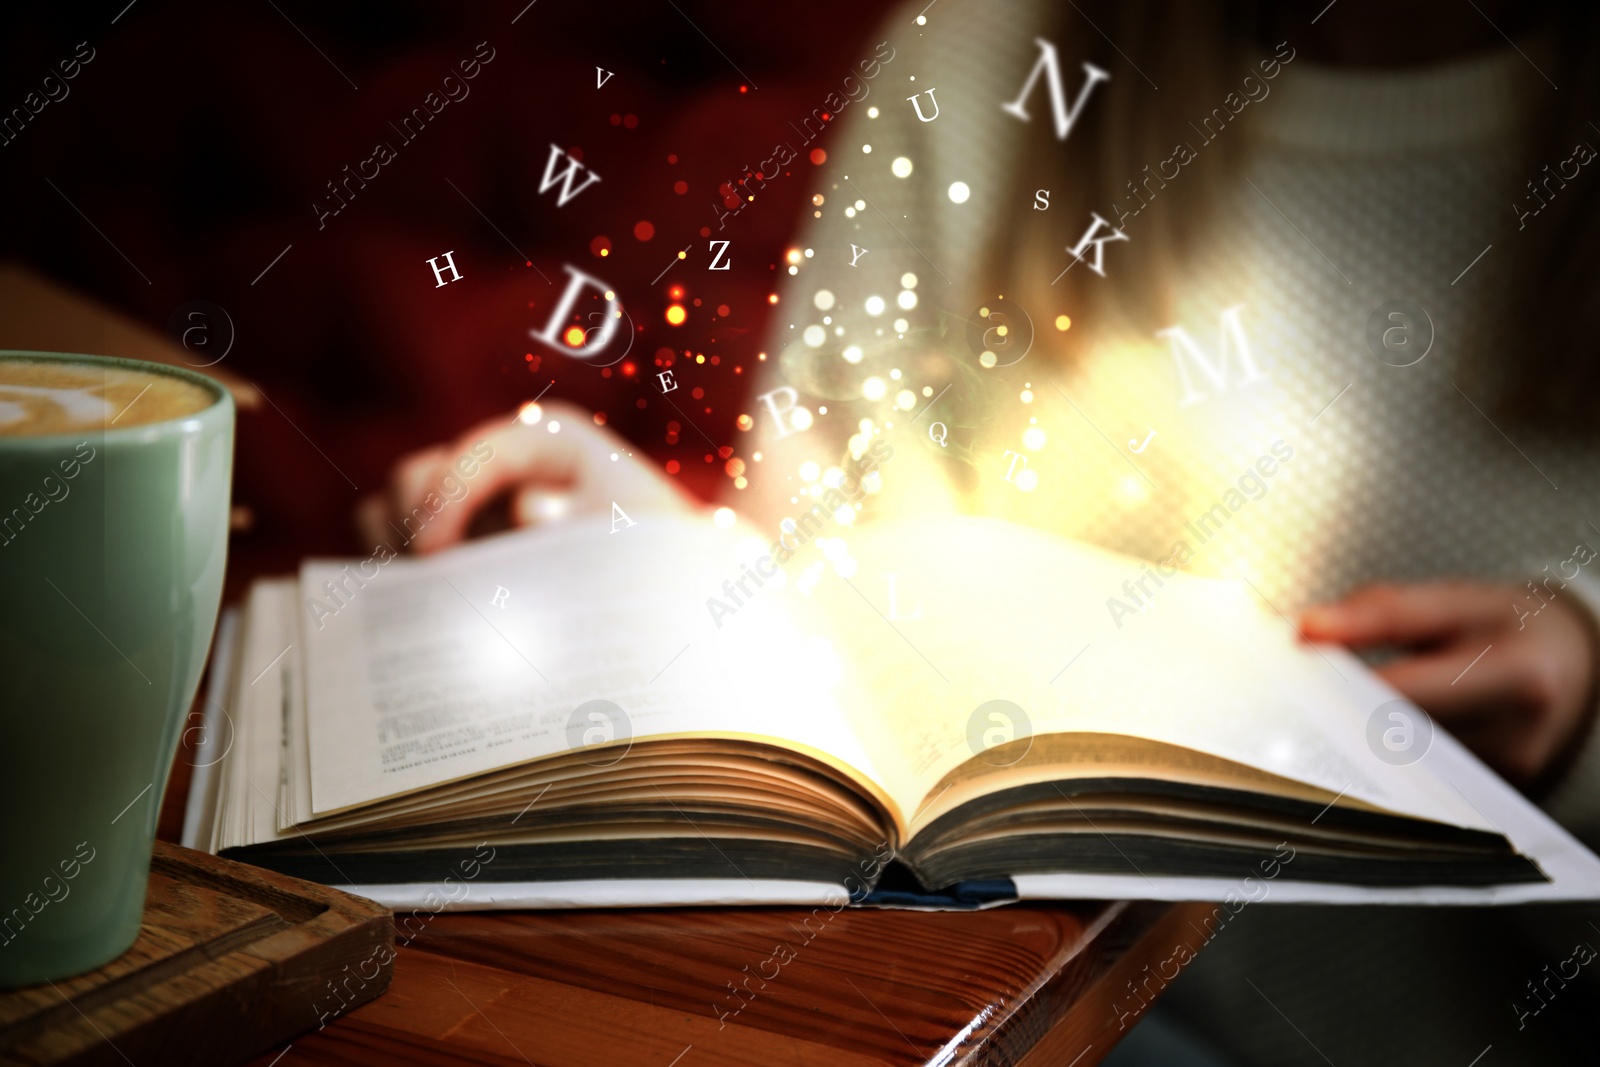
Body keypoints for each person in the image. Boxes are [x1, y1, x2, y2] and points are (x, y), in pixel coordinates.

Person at [359, 0, 1600, 1061]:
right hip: (969, 995)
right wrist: (633, 547)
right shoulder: (980, 45)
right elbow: (821, 572)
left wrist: (1586, 692)